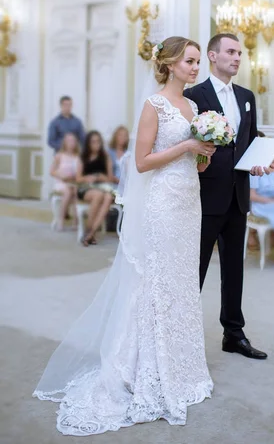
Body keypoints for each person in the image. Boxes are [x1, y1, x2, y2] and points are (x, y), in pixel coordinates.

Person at [33, 36, 214, 436]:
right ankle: (144, 367)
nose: (196, 67)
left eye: (198, 61)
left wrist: (202, 154)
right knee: (156, 279)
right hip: (162, 205)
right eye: (190, 61)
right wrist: (187, 144)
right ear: (168, 64)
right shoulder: (155, 105)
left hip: (189, 200)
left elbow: (194, 165)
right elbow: (142, 161)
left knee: (182, 282)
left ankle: (181, 368)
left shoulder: (196, 106)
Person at [185, 33, 268, 360]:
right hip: (204, 197)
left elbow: (248, 143)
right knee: (195, 270)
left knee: (235, 268)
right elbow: (186, 147)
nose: (237, 58)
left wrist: (263, 161)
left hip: (238, 196)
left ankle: (233, 333)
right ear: (212, 55)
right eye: (231, 52)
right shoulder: (193, 95)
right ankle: (184, 338)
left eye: (240, 53)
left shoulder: (247, 96)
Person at [76, 130, 116, 246]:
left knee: (108, 197)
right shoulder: (83, 157)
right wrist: (88, 177)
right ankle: (89, 231)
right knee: (98, 195)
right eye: (93, 142)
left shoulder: (105, 157)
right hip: (86, 188)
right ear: (88, 143)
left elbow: (110, 178)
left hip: (103, 187)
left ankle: (90, 233)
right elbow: (78, 178)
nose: (96, 144)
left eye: (98, 141)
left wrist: (102, 177)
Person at [50, 132, 80, 231]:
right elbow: (52, 171)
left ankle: (76, 221)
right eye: (69, 141)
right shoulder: (59, 155)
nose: (71, 143)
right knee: (68, 191)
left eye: (73, 141)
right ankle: (61, 219)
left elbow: (80, 172)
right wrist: (62, 176)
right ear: (65, 142)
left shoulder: (78, 156)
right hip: (61, 182)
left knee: (75, 191)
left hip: (73, 182)